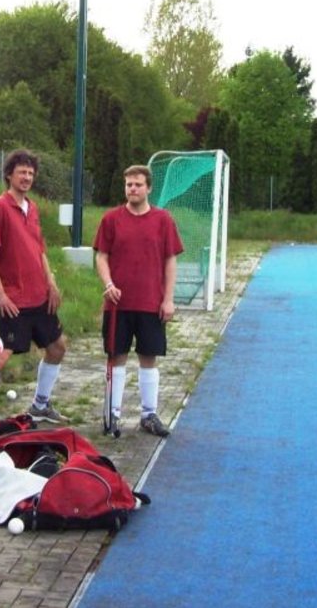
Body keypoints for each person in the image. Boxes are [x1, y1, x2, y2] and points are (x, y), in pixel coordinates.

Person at [0, 149, 68, 422]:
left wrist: (51, 282)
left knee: (57, 347)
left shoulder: (32, 208)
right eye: (22, 172)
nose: (27, 177)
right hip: (14, 299)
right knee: (1, 354)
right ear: (9, 175)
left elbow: (39, 249)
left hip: (40, 296)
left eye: (31, 173)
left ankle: (40, 405)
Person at [93, 164, 184, 437]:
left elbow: (170, 260)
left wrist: (168, 299)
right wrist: (108, 284)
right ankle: (113, 414)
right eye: (129, 184)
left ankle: (149, 414)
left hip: (150, 302)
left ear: (149, 188)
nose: (132, 189)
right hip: (118, 304)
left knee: (149, 357)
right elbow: (101, 257)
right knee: (116, 356)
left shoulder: (163, 220)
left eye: (138, 184)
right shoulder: (111, 219)